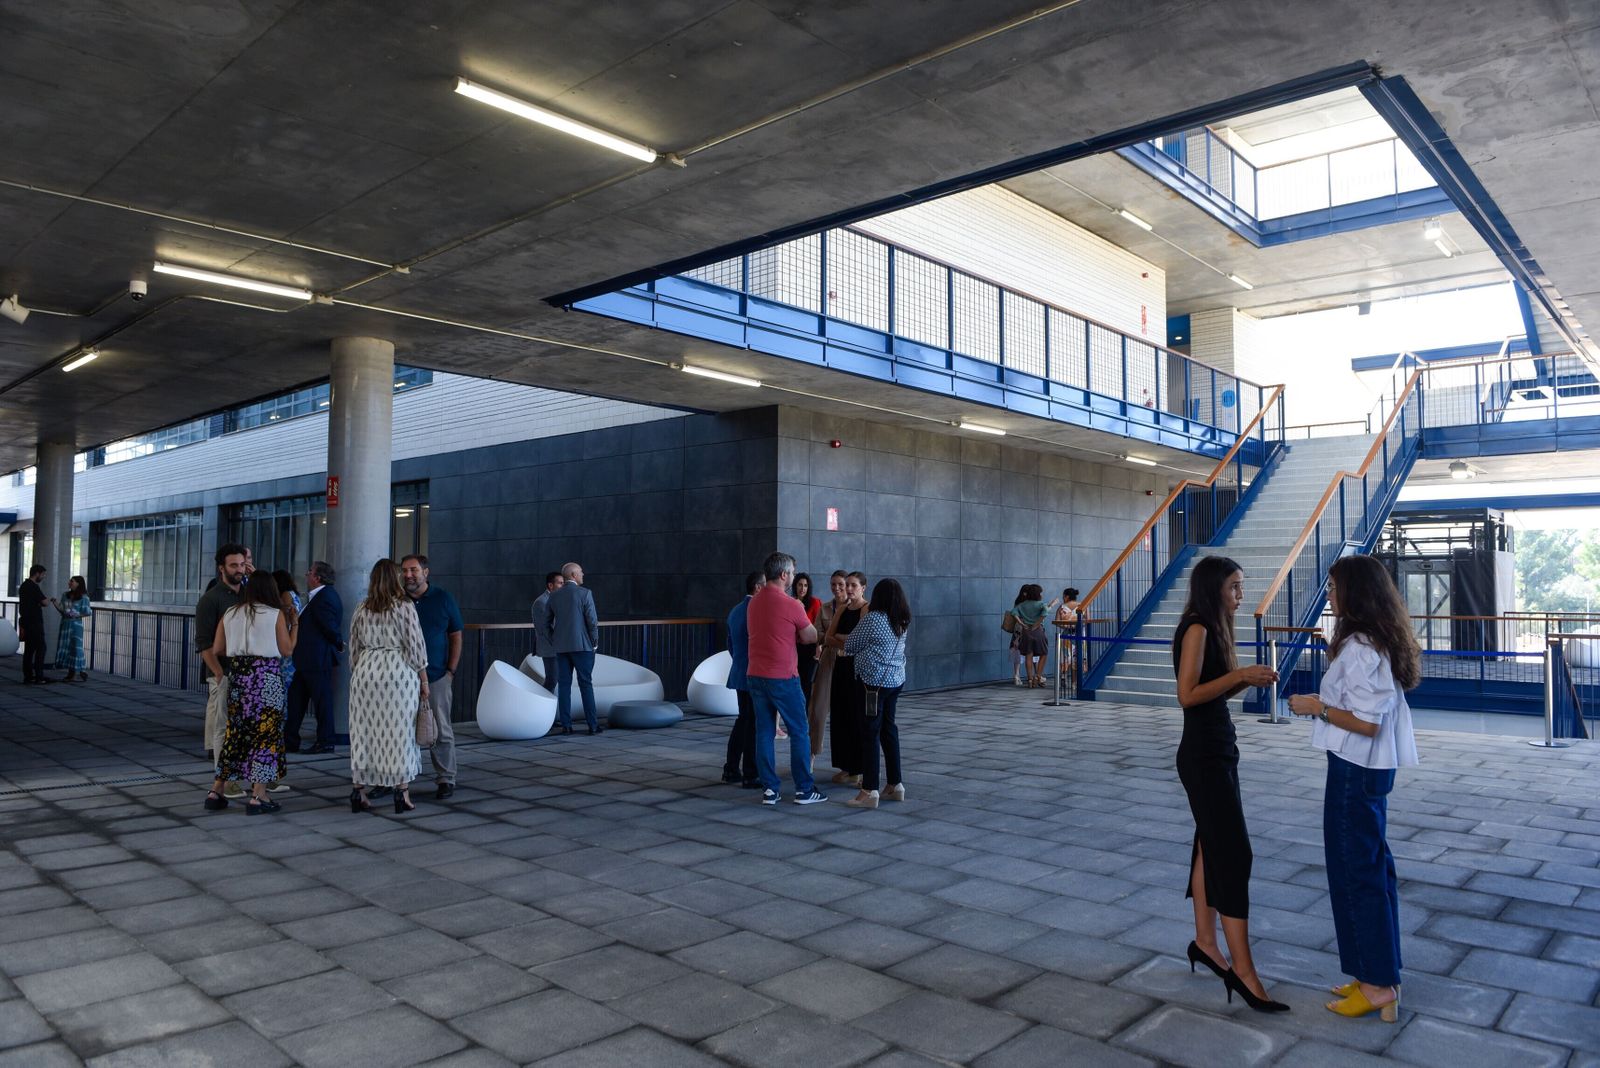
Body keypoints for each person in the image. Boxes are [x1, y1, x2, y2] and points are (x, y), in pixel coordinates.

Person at [1287, 554, 1420, 1023]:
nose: (1329, 594)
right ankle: (1376, 972)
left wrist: (1315, 707)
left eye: (1333, 586)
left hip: (1355, 767)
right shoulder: (1375, 639)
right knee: (1371, 868)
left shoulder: (1362, 646)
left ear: (1355, 592)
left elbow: (1364, 723)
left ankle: (1378, 985)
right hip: (1369, 767)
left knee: (1355, 871)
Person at [1171, 555, 1286, 1013]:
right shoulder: (1197, 627)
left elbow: (1210, 690)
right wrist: (1239, 675)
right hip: (1203, 755)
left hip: (1218, 748)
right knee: (1234, 853)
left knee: (1208, 845)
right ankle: (1243, 971)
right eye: (1235, 587)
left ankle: (1205, 941)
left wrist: (1245, 678)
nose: (1241, 594)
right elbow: (1187, 696)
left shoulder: (1212, 626)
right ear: (1213, 588)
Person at [203, 571, 294, 816]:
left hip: (239, 677)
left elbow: (219, 647)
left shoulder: (230, 613)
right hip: (266, 678)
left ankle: (216, 790)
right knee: (265, 735)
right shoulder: (274, 614)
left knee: (236, 734)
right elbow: (286, 650)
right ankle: (258, 795)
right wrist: (295, 624)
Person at [347, 559, 430, 815]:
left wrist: (360, 671)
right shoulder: (404, 606)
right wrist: (424, 680)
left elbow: (354, 646)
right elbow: (415, 646)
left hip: (365, 672)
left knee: (363, 733)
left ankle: (358, 790)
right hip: (398, 673)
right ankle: (401, 792)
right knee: (400, 733)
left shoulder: (362, 607)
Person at [746, 551, 826, 806]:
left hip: (755, 675)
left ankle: (770, 790)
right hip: (783, 676)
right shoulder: (792, 604)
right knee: (799, 730)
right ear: (783, 575)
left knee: (764, 732)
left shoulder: (753, 602)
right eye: (792, 572)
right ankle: (804, 789)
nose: (793, 576)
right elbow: (811, 636)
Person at [844, 578, 911, 810]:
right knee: (889, 730)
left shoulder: (873, 618)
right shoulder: (903, 620)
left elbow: (851, 645)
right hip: (895, 681)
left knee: (870, 732)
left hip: (871, 684)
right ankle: (895, 784)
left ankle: (869, 790)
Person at [402, 554, 464, 799]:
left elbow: (456, 634)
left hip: (437, 676)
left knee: (441, 730)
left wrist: (451, 671)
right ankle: (397, 780)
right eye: (405, 570)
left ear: (425, 572)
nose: (408, 575)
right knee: (400, 730)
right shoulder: (397, 601)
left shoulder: (443, 598)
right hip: (403, 678)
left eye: (414, 570)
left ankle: (446, 778)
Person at [196, 546, 246, 789]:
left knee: (246, 728)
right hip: (223, 672)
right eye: (233, 565)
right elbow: (204, 642)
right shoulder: (211, 599)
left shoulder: (249, 594)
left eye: (242, 564)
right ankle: (226, 781)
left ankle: (256, 779)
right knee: (223, 728)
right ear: (222, 568)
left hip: (247, 673)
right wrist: (218, 673)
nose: (239, 569)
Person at [286, 560, 343, 755]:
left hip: (317, 660)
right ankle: (290, 740)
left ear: (317, 578)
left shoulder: (324, 597)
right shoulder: (319, 597)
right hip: (307, 661)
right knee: (296, 700)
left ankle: (325, 741)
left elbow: (330, 628)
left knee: (321, 702)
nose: (306, 575)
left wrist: (338, 644)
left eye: (309, 572)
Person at [540, 561, 601, 735]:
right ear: (573, 575)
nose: (583, 574)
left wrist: (554, 640)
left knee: (564, 686)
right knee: (586, 684)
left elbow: (544, 624)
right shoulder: (585, 593)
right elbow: (592, 621)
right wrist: (594, 642)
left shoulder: (554, 596)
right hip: (583, 647)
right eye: (581, 572)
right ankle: (593, 725)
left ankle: (566, 725)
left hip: (561, 648)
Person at [824, 571, 870, 785]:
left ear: (863, 587)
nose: (849, 589)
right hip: (841, 667)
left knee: (857, 717)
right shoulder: (842, 609)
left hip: (857, 669)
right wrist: (846, 640)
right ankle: (847, 766)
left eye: (853, 585)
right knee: (841, 717)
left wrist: (842, 639)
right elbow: (828, 638)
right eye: (847, 585)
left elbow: (859, 642)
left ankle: (860, 768)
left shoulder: (866, 609)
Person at [721, 571, 764, 788]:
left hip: (739, 671)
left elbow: (730, 644)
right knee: (752, 724)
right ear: (757, 587)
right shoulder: (755, 611)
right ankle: (750, 773)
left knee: (743, 721)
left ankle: (731, 768)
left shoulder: (735, 610)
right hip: (753, 674)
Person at [806, 571, 847, 757]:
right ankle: (812, 754)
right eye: (833, 584)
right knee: (817, 709)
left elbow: (856, 639)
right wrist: (835, 639)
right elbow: (817, 635)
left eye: (840, 584)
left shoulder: (857, 608)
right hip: (828, 659)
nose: (836, 588)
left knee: (847, 712)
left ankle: (852, 765)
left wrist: (831, 637)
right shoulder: (825, 608)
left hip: (850, 661)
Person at [49, 575, 92, 682]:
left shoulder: (84, 597)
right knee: (67, 648)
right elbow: (62, 610)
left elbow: (87, 612)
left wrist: (76, 615)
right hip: (65, 624)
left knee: (76, 648)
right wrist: (55, 604)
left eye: (72, 581)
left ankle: (78, 670)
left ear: (78, 583)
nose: (69, 583)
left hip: (76, 625)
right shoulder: (65, 595)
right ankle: (76, 671)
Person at [1012, 584, 1056, 688]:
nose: (1041, 594)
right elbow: (1045, 613)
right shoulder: (1040, 604)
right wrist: (1037, 623)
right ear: (1037, 594)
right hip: (1038, 631)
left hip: (1026, 631)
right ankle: (1038, 676)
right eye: (1040, 592)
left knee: (1028, 655)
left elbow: (1013, 613)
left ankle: (1030, 680)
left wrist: (1022, 623)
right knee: (1044, 653)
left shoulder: (1022, 604)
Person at [531, 570, 564, 688]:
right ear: (550, 585)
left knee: (559, 680)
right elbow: (545, 628)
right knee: (552, 680)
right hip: (550, 648)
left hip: (559, 647)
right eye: (560, 583)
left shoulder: (557, 600)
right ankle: (541, 706)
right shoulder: (542, 602)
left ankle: (555, 706)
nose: (563, 586)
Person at [792, 572, 822, 704]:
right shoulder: (791, 602)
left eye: (805, 585)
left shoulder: (815, 603)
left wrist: (818, 647)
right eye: (800, 585)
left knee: (807, 683)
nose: (802, 588)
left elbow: (817, 627)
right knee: (796, 681)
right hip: (795, 648)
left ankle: (806, 713)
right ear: (795, 586)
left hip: (810, 648)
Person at [18, 564, 50, 685]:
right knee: (41, 648)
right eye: (43, 574)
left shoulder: (23, 586)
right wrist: (42, 603)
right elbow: (45, 602)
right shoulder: (33, 587)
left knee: (29, 649)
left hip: (26, 621)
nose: (43, 577)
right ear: (37, 573)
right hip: (35, 622)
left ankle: (28, 676)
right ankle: (39, 676)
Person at [272, 569, 301, 692]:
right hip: (293, 637)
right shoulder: (294, 594)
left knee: (284, 679)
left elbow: (285, 619)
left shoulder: (285, 595)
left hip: (287, 637)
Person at [1053, 586, 1082, 689]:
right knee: (1077, 658)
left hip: (1066, 635)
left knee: (1065, 657)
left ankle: (1064, 676)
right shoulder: (1082, 606)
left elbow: (1057, 622)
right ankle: (1074, 683)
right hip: (1080, 635)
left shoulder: (1061, 607)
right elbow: (1088, 620)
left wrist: (1065, 625)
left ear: (1067, 597)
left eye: (1063, 596)